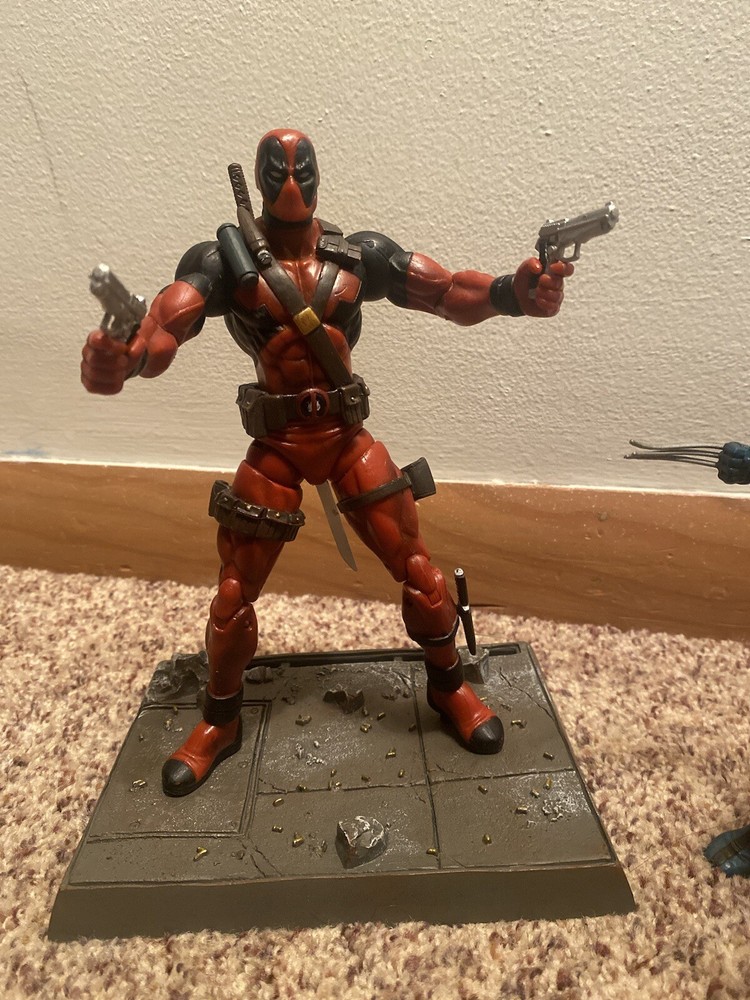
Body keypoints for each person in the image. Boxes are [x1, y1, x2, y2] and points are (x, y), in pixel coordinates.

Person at [81, 128, 572, 796]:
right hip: (278, 446)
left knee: (421, 574)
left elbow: (447, 290)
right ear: (258, 181)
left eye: (302, 171)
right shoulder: (222, 262)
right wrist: (127, 356)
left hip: (345, 436)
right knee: (232, 597)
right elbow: (167, 323)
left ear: (318, 177)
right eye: (277, 172)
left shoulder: (359, 256)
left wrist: (514, 292)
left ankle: (448, 686)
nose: (290, 184)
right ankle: (219, 722)